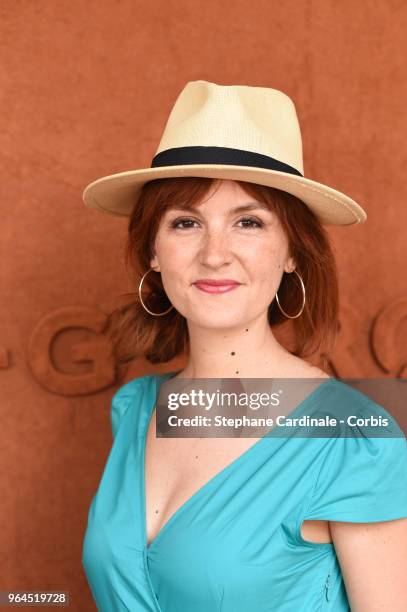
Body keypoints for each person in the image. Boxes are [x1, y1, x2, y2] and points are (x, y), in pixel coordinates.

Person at [81, 80, 407, 611]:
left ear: (293, 254)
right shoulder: (136, 409)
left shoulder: (354, 441)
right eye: (186, 222)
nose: (214, 254)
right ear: (153, 252)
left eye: (248, 222)